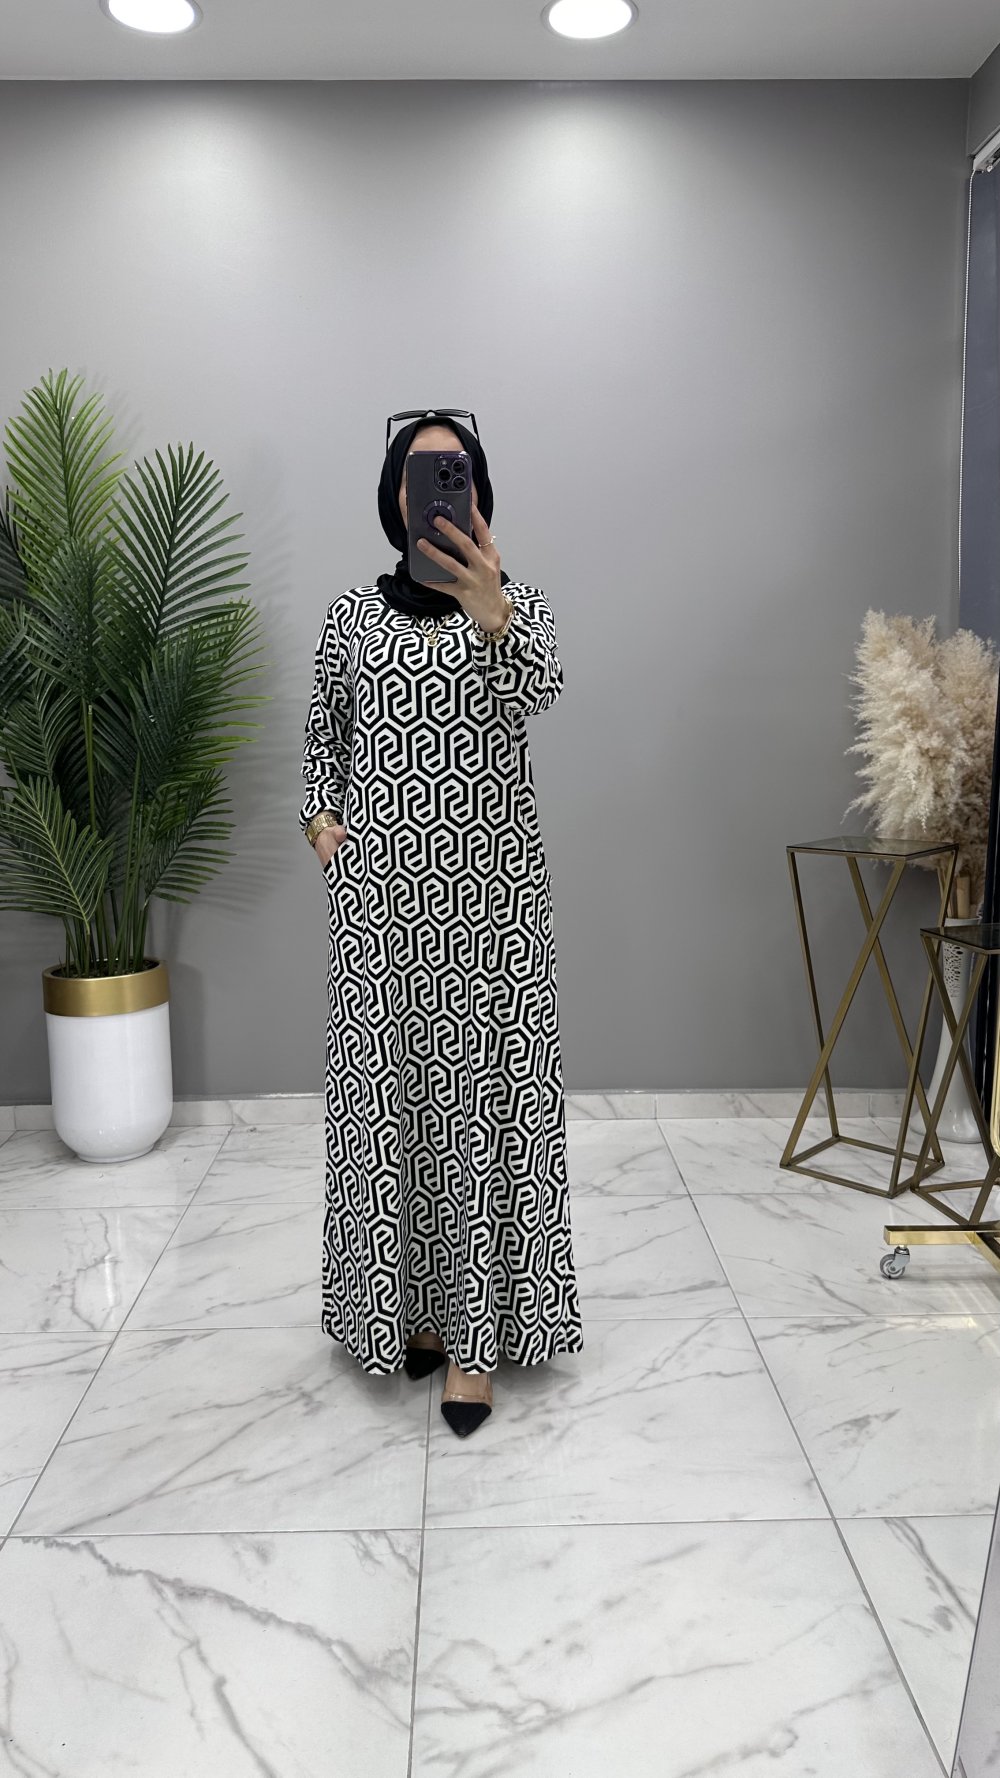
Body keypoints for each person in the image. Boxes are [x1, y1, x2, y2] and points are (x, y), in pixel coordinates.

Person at [299, 407, 583, 1437]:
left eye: (452, 470)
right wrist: (321, 822)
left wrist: (493, 610)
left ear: (477, 489)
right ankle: (411, 1315)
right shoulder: (349, 618)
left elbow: (544, 690)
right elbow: (322, 739)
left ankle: (474, 1346)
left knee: (483, 1116)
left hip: (493, 919)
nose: (436, 486)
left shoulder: (514, 605)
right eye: (419, 473)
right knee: (394, 1116)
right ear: (395, 496)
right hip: (380, 919)